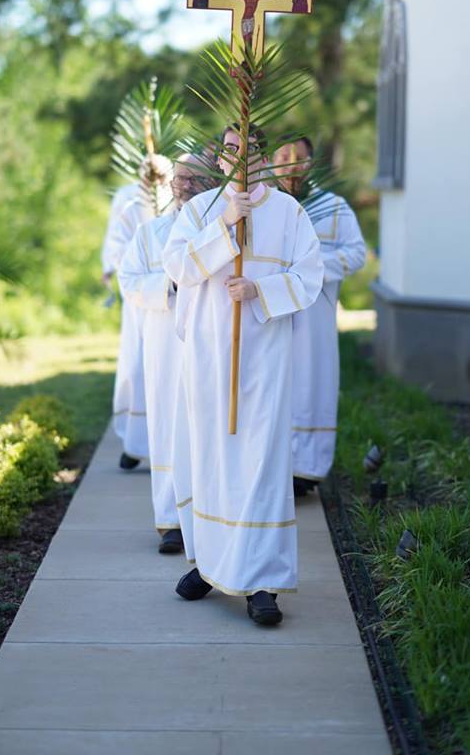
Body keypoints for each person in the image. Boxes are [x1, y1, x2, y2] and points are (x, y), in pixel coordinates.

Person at [162, 124, 323, 626]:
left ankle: (262, 581)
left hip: (264, 361)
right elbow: (177, 266)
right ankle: (211, 565)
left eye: (247, 148)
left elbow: (309, 276)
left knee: (260, 464)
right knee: (211, 459)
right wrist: (224, 225)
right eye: (229, 149)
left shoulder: (289, 213)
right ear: (220, 157)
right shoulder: (200, 209)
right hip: (209, 357)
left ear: (262, 155)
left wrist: (259, 291)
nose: (237, 157)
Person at [117, 156, 207, 554]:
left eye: (196, 178)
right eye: (181, 178)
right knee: (169, 427)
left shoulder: (221, 230)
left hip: (211, 347)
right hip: (166, 348)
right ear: (170, 184)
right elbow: (129, 281)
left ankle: (208, 518)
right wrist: (170, 284)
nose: (186, 185)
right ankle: (171, 520)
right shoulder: (150, 233)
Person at [272, 136, 366, 495]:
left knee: (311, 383)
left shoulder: (333, 206)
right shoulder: (263, 206)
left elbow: (356, 253)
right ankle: (272, 466)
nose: (290, 163)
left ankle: (306, 469)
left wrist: (310, 267)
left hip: (314, 314)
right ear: (271, 161)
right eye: (283, 155)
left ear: (310, 163)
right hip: (269, 310)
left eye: (298, 157)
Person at [101, 181, 149, 470]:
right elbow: (116, 243)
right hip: (141, 294)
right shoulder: (129, 197)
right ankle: (136, 441)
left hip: (179, 295)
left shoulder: (194, 196)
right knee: (136, 366)